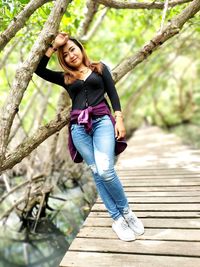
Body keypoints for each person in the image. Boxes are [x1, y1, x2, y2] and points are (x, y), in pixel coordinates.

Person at [35, 32, 144, 241]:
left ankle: (127, 212)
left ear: (81, 49)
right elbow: (39, 70)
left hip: (102, 121)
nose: (70, 55)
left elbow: (113, 94)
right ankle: (117, 219)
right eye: (65, 54)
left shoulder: (100, 68)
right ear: (63, 59)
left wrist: (119, 118)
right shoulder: (66, 77)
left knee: (106, 169)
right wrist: (53, 45)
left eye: (72, 49)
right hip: (78, 128)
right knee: (96, 171)